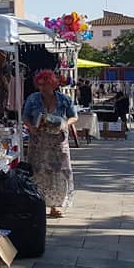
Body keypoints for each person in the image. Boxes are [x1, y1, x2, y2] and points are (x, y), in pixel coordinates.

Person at [22, 69, 77, 218]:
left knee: (58, 174)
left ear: (53, 84)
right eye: (40, 85)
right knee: (38, 173)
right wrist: (31, 127)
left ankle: (55, 206)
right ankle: (38, 204)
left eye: (46, 84)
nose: (43, 88)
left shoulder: (64, 99)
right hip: (39, 143)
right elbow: (25, 117)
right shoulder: (33, 99)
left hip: (58, 143)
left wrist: (65, 123)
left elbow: (74, 116)